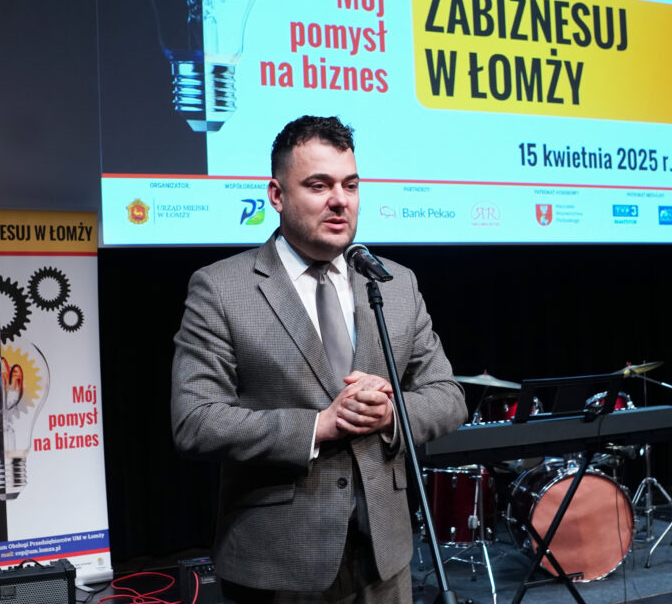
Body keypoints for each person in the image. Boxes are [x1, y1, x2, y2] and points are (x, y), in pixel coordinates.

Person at [171, 115, 466, 603]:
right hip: (279, 564)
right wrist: (317, 426)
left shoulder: (394, 284)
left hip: (385, 561)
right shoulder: (221, 288)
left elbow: (448, 397)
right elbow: (195, 421)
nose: (340, 200)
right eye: (318, 185)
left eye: (350, 185)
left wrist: (391, 414)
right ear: (276, 195)